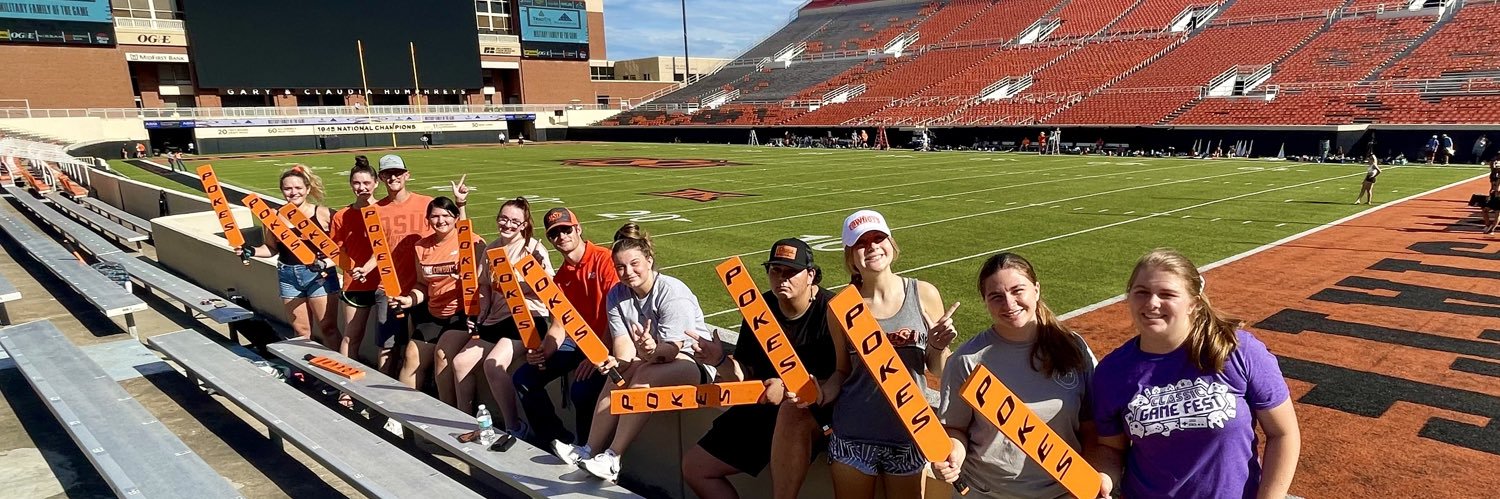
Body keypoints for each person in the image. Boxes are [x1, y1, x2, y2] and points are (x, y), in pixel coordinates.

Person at [1092, 249, 1300, 499]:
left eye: (1167, 294)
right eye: (1142, 292)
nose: (1152, 303)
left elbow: (1283, 433)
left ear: (1194, 303)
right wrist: (1104, 477)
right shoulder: (1112, 371)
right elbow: (1111, 448)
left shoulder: (1236, 351)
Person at [933, 252, 1100, 498]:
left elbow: (1092, 428)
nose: (1009, 304)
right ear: (985, 301)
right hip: (986, 493)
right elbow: (954, 428)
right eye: (996, 297)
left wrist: (1090, 483)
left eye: (1017, 291)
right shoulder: (967, 360)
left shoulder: (1073, 348)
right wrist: (952, 455)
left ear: (1036, 290)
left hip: (1063, 492)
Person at [682, 239, 837, 499]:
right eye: (775, 270)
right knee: (695, 468)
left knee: (791, 410)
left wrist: (790, 388)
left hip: (816, 412)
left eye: (791, 272)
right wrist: (720, 360)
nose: (781, 279)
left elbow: (844, 377)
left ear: (810, 275)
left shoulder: (831, 311)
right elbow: (745, 374)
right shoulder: (760, 308)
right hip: (764, 406)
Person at [558, 223, 712, 482]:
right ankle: (587, 449)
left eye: (634, 264)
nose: (627, 272)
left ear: (649, 260)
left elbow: (673, 348)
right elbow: (624, 350)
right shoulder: (617, 295)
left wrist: (651, 349)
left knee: (644, 375)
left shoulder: (672, 291)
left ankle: (613, 457)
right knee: (617, 375)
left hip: (695, 361)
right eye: (620, 267)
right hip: (652, 359)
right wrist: (614, 362)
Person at [824, 210, 958, 499]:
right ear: (850, 255)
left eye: (878, 238)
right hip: (853, 436)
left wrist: (937, 346)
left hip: (909, 435)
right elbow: (842, 371)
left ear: (891, 243)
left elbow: (938, 369)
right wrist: (819, 392)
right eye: (861, 242)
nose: (872, 247)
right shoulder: (841, 306)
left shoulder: (923, 293)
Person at [509, 207, 620, 450]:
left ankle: (588, 449)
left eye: (566, 230)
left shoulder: (605, 260)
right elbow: (559, 326)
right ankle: (556, 439)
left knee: (581, 391)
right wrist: (543, 351)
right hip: (579, 346)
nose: (561, 237)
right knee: (524, 377)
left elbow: (618, 316)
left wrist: (599, 354)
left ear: (578, 229)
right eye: (554, 234)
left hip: (607, 346)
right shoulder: (560, 279)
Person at [372, 155, 467, 382]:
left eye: (397, 172)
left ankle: (442, 408)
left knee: (433, 356)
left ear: (407, 174)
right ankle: (392, 406)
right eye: (387, 173)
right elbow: (373, 250)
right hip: (400, 290)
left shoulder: (428, 204)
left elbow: (464, 237)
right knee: (396, 351)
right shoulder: (376, 211)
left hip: (445, 301)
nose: (440, 220)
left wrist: (461, 204)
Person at [465, 198, 556, 423]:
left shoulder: (533, 249)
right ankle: (463, 419)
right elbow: (484, 285)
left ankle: (513, 425)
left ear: (524, 225)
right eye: (503, 219)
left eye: (515, 221)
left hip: (528, 317)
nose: (507, 224)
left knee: (492, 365)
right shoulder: (492, 249)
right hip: (497, 318)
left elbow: (550, 292)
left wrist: (522, 283)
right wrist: (481, 314)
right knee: (459, 363)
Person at [391, 196, 484, 392]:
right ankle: (401, 413)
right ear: (428, 219)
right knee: (411, 356)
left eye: (446, 215)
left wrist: (466, 278)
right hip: (434, 311)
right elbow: (422, 284)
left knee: (442, 357)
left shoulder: (472, 242)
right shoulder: (421, 246)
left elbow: (482, 280)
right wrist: (409, 299)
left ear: (456, 217)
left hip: (460, 313)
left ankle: (447, 412)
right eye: (435, 216)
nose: (440, 221)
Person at [240, 166, 340, 344]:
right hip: (288, 275)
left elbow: (341, 249)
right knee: (301, 330)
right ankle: (306, 371)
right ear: (282, 190)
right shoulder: (275, 217)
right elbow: (271, 248)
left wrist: (326, 263)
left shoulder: (324, 214)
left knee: (328, 328)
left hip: (319, 276)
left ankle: (339, 368)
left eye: (298, 188)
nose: (293, 192)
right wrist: (251, 250)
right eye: (288, 188)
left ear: (307, 189)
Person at [329, 156, 379, 363]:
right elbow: (335, 250)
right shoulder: (342, 215)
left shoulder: (386, 211)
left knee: (389, 343)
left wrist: (368, 267)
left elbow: (391, 247)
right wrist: (351, 269)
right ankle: (345, 389)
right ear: (351, 185)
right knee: (352, 336)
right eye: (357, 183)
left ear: (376, 183)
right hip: (355, 283)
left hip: (387, 282)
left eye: (366, 183)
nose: (362, 187)